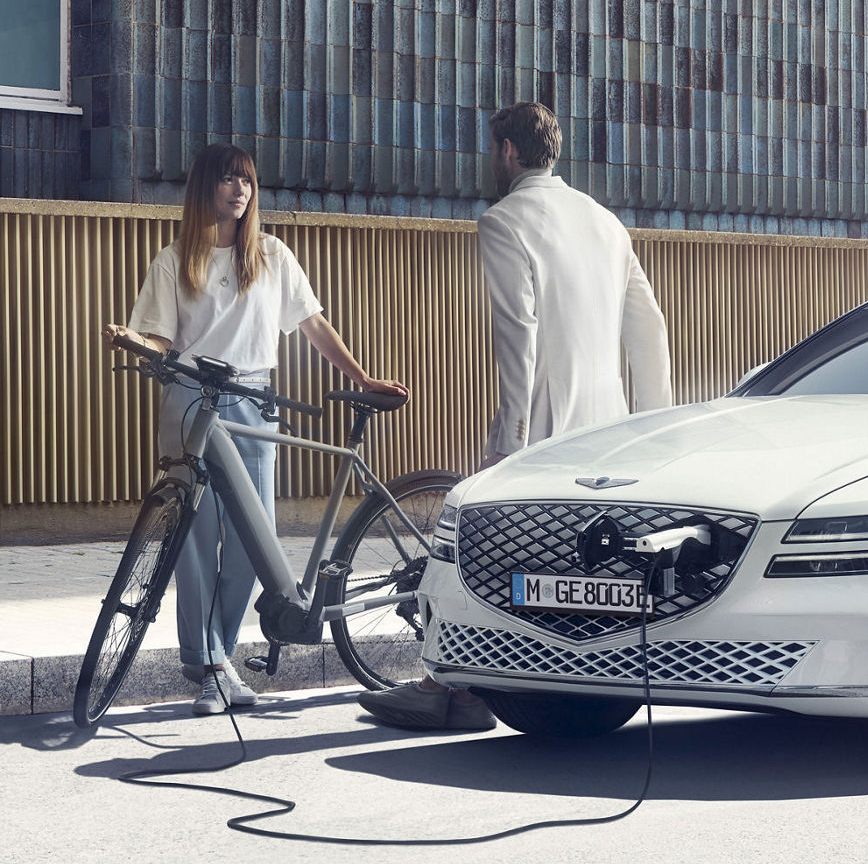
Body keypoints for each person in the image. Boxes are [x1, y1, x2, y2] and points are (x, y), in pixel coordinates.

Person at [357, 100, 673, 731]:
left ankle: (457, 691)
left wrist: (509, 441)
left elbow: (518, 337)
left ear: (506, 151)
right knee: (579, 564)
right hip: (609, 427)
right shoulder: (606, 222)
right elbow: (649, 329)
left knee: (481, 550)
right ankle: (543, 683)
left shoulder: (505, 221)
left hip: (545, 423)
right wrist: (651, 427)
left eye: (490, 150)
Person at [104, 142, 408, 716]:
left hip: (254, 399)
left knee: (252, 540)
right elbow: (161, 341)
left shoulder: (271, 255)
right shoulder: (174, 260)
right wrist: (133, 341)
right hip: (192, 400)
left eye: (245, 181)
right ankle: (210, 664)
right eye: (226, 180)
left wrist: (363, 375)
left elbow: (312, 324)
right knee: (194, 539)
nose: (239, 190)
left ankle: (219, 653)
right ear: (204, 189)